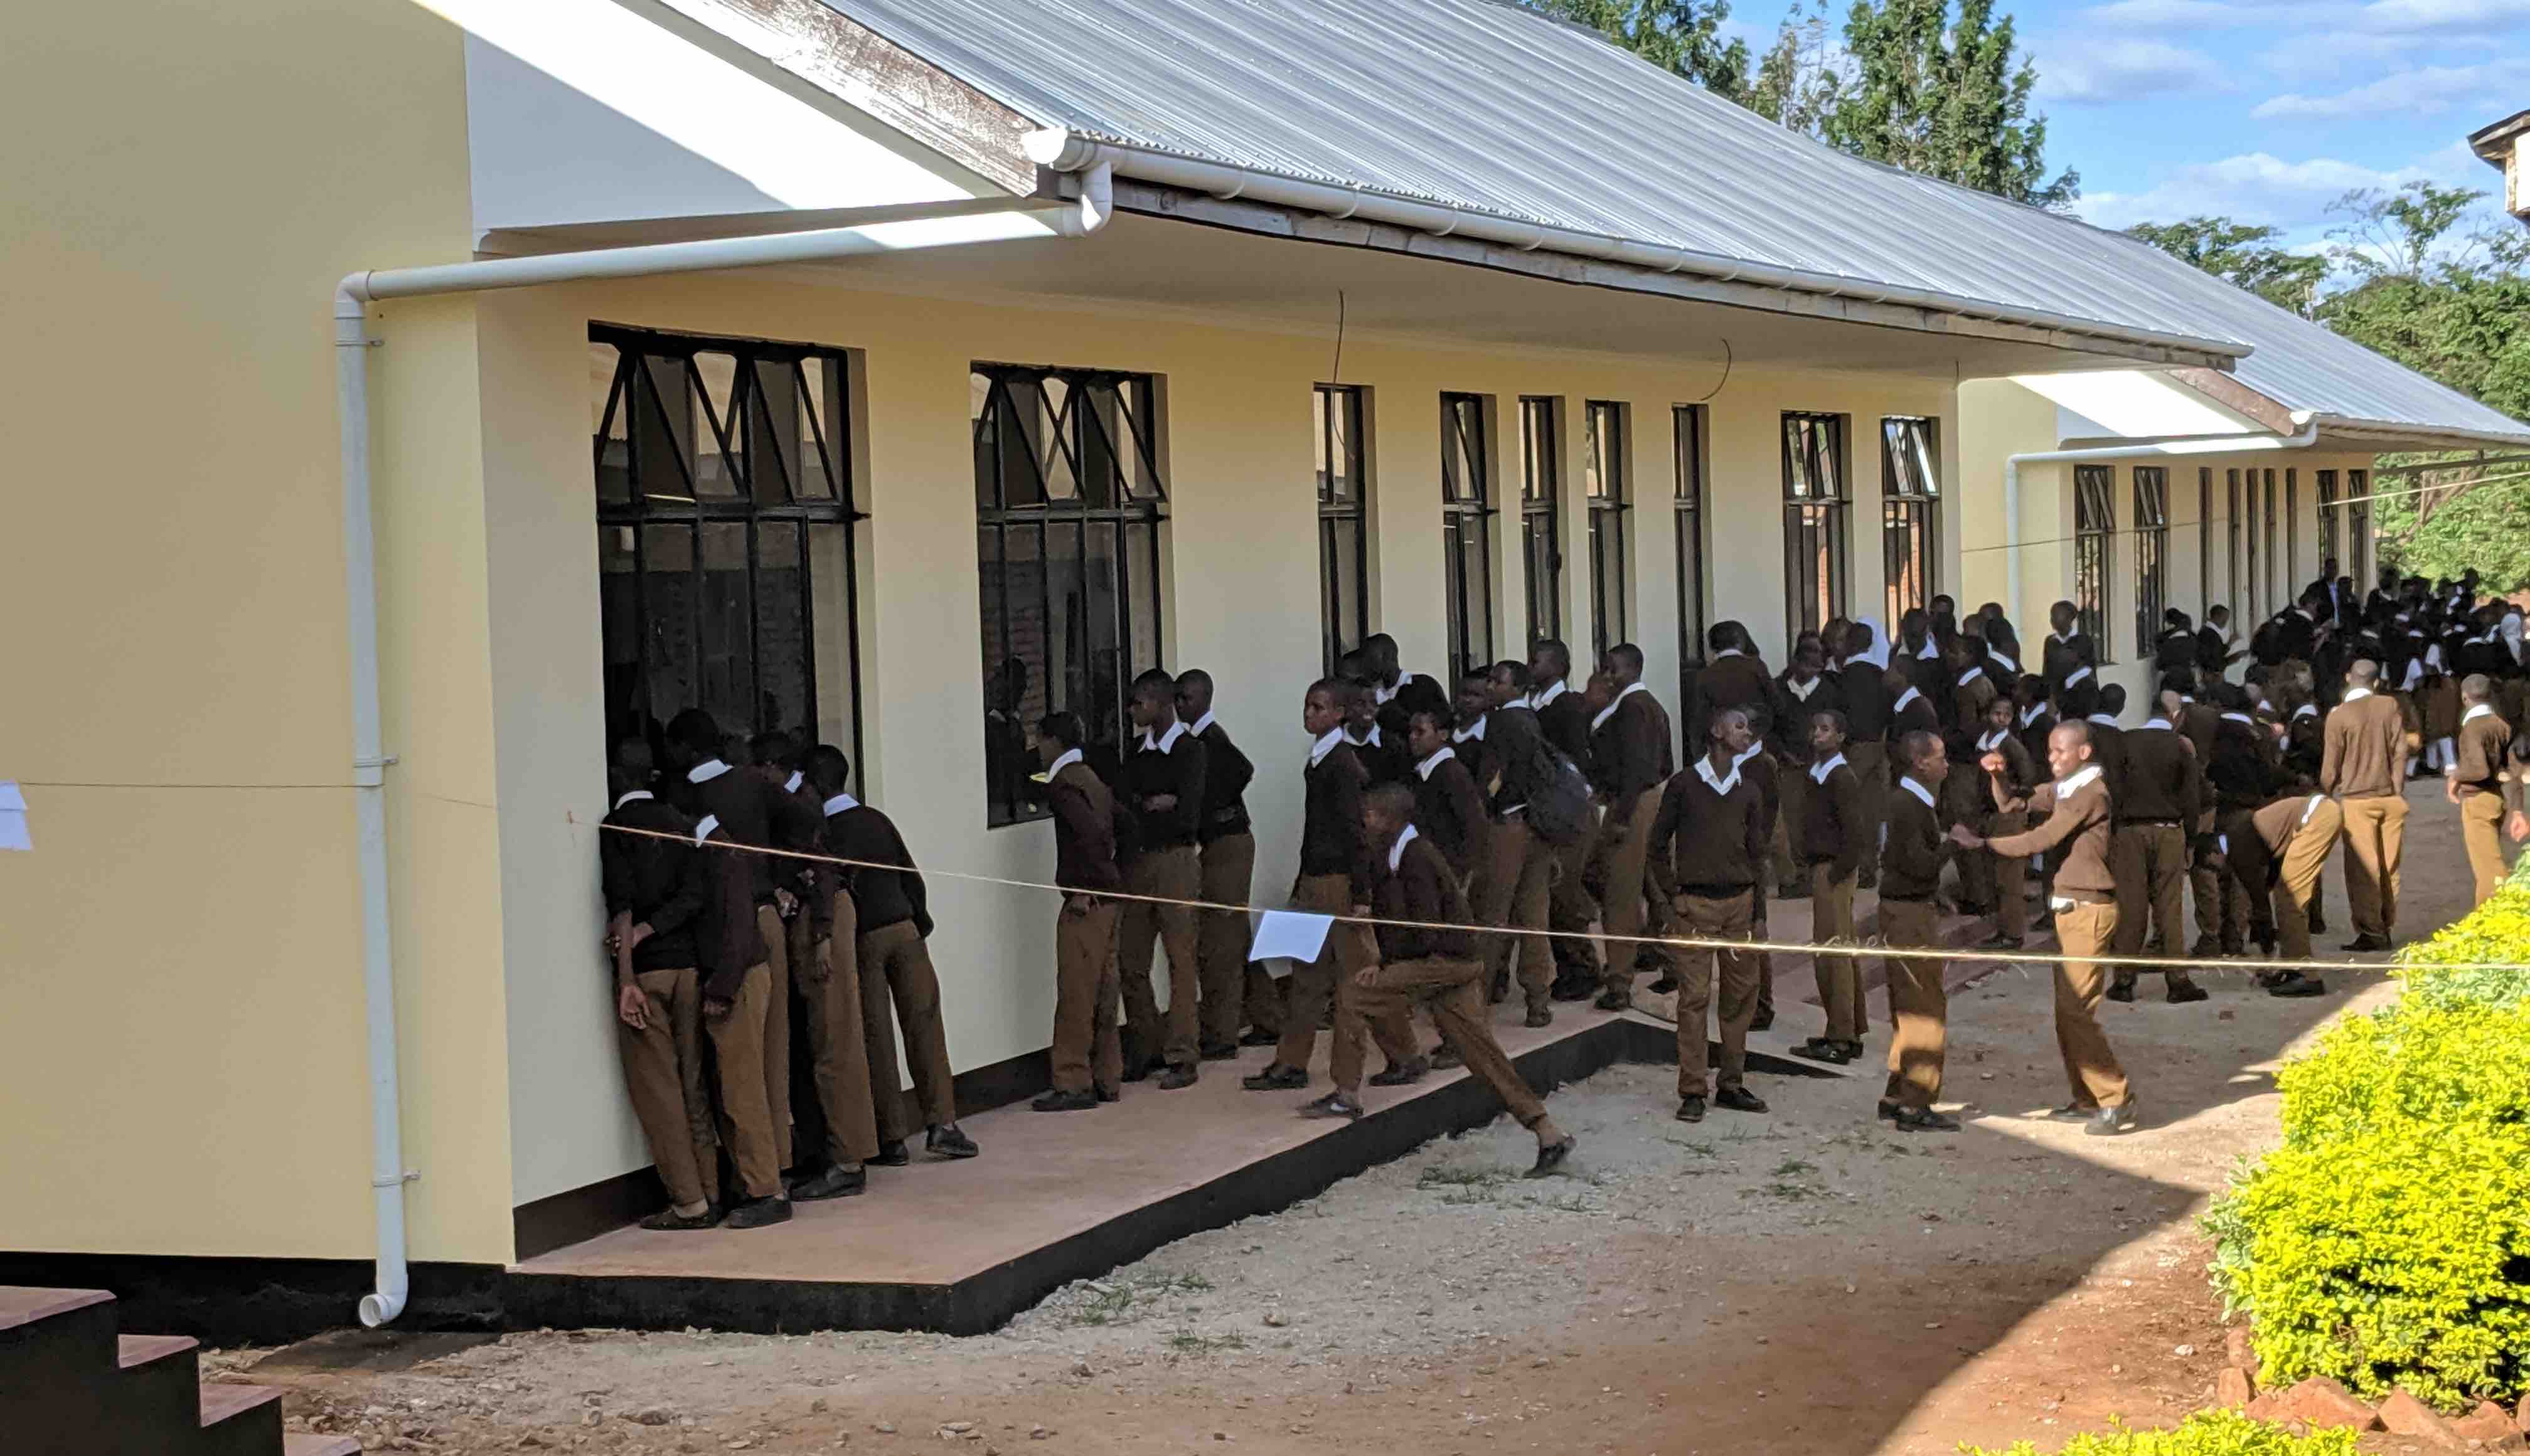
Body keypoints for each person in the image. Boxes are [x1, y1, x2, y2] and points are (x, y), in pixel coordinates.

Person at [1314, 785, 1576, 1178]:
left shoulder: (1415, 857)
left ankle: (1348, 1093)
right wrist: (1389, 963)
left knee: (1355, 993)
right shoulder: (1397, 852)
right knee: (1481, 1052)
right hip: (1454, 963)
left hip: (1444, 961)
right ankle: (1548, 1133)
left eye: (1369, 814)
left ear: (1389, 819)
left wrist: (1390, 970)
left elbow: (1424, 926)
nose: (1363, 821)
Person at [1953, 721, 2138, 1137]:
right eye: (2050, 751)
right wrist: (1999, 776)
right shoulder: (2069, 788)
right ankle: (2088, 1097)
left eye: (2060, 752)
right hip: (2070, 909)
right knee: (2066, 1014)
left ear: (2084, 753)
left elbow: (2042, 837)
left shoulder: (2091, 793)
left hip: (2089, 910)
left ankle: (2116, 1097)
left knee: (2077, 1012)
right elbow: (2013, 806)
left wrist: (1984, 845)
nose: (2052, 758)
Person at [665, 708, 823, 1176]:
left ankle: (759, 1176)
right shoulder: (753, 782)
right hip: (769, 915)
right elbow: (809, 819)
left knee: (740, 1066)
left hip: (732, 929)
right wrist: (783, 875)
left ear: (684, 750)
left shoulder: (683, 798)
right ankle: (781, 1163)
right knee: (776, 1053)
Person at [1247, 680, 1422, 1093]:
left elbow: (1355, 835)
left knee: (1362, 974)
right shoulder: (1318, 759)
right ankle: (1290, 1062)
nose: (1310, 714)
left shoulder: (1343, 765)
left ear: (1340, 713)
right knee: (1305, 975)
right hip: (1314, 880)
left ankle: (1405, 1053)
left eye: (1320, 707)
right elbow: (1316, 831)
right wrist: (1301, 878)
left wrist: (1361, 895)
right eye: (1307, 706)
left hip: (1339, 886)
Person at [809, 746, 972, 1165]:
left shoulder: (823, 831)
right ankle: (943, 1125)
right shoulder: (876, 819)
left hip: (863, 938)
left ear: (814, 784)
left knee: (875, 1035)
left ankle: (891, 1137)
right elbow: (910, 873)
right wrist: (919, 922)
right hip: (905, 928)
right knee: (925, 1025)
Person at [599, 745, 724, 1229]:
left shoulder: (616, 827)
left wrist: (626, 975)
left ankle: (689, 1202)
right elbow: (695, 896)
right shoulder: (679, 822)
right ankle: (712, 1190)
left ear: (615, 773)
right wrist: (660, 926)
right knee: (693, 1083)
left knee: (659, 1089)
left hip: (648, 974)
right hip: (688, 969)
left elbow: (622, 904)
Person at [1645, 706, 1770, 1124]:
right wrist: (1666, 903)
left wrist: (1759, 913)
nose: (1746, 733)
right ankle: (1693, 1088)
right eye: (1738, 725)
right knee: (1694, 998)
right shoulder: (1683, 785)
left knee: (1739, 997)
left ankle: (1731, 1082)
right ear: (1716, 731)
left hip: (1740, 903)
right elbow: (1657, 845)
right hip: (1694, 904)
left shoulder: (1749, 790)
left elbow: (1758, 855)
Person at [692, 810, 793, 1227]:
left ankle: (766, 1190)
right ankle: (753, 1181)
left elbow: (737, 927)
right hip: (742, 976)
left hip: (738, 981)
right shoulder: (722, 849)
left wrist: (721, 988)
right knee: (739, 1086)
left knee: (742, 1089)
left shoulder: (723, 854)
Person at [1115, 669, 1211, 1088]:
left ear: (1161, 702)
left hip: (1175, 861)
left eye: (1139, 702)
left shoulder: (1190, 750)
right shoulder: (1136, 752)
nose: (1133, 710)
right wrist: (1153, 804)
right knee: (1131, 958)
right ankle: (1146, 1045)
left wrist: (1161, 807)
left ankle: (1183, 1053)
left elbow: (1189, 814)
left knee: (1180, 957)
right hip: (1137, 862)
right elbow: (1127, 806)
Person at [1032, 713, 1125, 1112]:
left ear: (1051, 741)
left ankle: (1072, 1082)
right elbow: (1125, 825)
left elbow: (1089, 834)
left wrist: (1085, 888)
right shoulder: (1091, 777)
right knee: (1104, 990)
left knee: (1075, 992)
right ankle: (1107, 1076)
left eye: (1039, 741)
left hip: (1087, 901)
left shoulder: (1064, 783)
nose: (1036, 750)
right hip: (1112, 898)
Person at [1877, 730, 1961, 1132]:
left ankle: (1897, 1092)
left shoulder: (1908, 802)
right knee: (1924, 1007)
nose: (1946, 764)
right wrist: (1953, 844)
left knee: (1908, 1004)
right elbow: (1920, 865)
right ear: (1920, 762)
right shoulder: (1908, 805)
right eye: (1940, 757)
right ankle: (1916, 1102)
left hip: (1906, 909)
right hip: (1908, 915)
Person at [1463, 667, 1556, 1025]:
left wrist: (1487, 807)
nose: (1490, 687)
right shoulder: (1532, 718)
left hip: (1508, 827)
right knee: (1534, 916)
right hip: (1537, 827)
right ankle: (1538, 1000)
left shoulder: (1501, 722)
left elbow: (1493, 776)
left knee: (1493, 915)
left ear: (1517, 687)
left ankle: (1477, 998)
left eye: (1498, 681)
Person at [1176, 669, 1261, 1055]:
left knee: (1219, 944)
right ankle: (1268, 1015)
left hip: (1228, 843)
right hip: (1224, 844)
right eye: (1177, 698)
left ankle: (1222, 1036)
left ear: (1205, 699)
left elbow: (1243, 770)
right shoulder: (1195, 740)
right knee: (1235, 933)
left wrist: (1208, 809)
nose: (1180, 706)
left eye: (1187, 699)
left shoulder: (1211, 738)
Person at [1585, 644, 1672, 1009]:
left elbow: (1636, 769)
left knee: (1620, 892)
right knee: (1656, 887)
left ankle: (1620, 982)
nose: (1606, 676)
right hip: (1647, 799)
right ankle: (1672, 963)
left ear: (1632, 669)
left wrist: (1620, 818)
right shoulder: (1648, 705)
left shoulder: (1633, 708)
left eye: (1612, 669)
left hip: (1632, 804)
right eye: (1604, 669)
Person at [2108, 695, 2208, 1004]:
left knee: (2131, 908)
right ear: (2173, 718)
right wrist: (2191, 840)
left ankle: (2124, 981)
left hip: (2129, 832)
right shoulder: (2179, 746)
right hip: (2169, 832)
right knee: (2170, 908)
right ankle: (2177, 981)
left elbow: (2112, 788)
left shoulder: (2125, 742)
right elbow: (2192, 798)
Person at [1790, 709, 1867, 1064]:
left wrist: (1838, 872)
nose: (1817, 735)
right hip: (1823, 868)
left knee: (1832, 952)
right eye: (1814, 729)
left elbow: (1855, 832)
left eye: (1825, 730)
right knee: (1839, 949)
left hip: (1834, 871)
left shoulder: (1841, 776)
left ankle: (1839, 1036)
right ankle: (1848, 1029)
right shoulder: (1817, 774)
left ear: (1840, 737)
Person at [1527, 639, 1600, 997]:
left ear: (1557, 665)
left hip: (1568, 810)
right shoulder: (1533, 705)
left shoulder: (1566, 706)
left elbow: (1575, 761)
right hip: (1548, 811)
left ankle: (1583, 968)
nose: (1531, 665)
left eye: (1536, 660)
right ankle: (1571, 967)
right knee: (1555, 892)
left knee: (1565, 891)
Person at [2321, 660, 2411, 951]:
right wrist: (2397, 789)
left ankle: (2371, 931)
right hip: (2390, 797)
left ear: (2348, 678)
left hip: (2357, 800)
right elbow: (2401, 748)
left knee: (2363, 870)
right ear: (2376, 682)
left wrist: (2324, 794)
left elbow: (2330, 767)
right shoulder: (2389, 706)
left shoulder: (2338, 716)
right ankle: (2385, 924)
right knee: (2389, 867)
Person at [1966, 694, 2036, 950]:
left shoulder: (2012, 746)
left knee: (2009, 878)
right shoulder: (1984, 743)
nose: (2002, 718)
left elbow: (2029, 780)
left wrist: (2012, 797)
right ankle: (2002, 929)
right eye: (1997, 713)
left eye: (2007, 714)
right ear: (1987, 715)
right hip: (1990, 816)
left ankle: (2013, 933)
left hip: (2008, 818)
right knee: (1996, 876)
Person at [1836, 620, 1894, 889]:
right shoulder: (1882, 675)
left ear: (1848, 642)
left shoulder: (1842, 678)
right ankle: (1869, 868)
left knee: (1847, 809)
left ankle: (1850, 868)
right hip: (1880, 746)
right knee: (1872, 812)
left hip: (1852, 748)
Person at [2446, 673, 2513, 905]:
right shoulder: (2501, 725)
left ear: (2465, 698)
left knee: (2489, 868)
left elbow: (2479, 770)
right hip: (2497, 797)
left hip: (2478, 800)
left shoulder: (2472, 729)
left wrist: (2455, 776)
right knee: (2488, 862)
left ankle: (2497, 917)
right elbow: (2511, 768)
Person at [1407, 706, 1490, 886]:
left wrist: (1463, 870)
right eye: (1411, 731)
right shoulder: (1422, 771)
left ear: (1443, 734)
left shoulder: (1452, 773)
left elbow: (1474, 823)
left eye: (1420, 732)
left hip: (1450, 869)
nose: (1412, 737)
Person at [2041, 600, 2098, 698]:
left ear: (2069, 619)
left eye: (2056, 615)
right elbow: (2047, 670)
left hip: (2080, 696)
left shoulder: (2083, 641)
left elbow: (2088, 669)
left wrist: (2066, 685)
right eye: (2052, 616)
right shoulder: (2050, 641)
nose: (2052, 620)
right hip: (2056, 697)